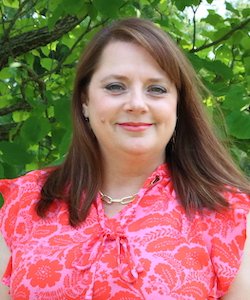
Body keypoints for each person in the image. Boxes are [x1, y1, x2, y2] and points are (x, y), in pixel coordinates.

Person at [0, 17, 249, 300]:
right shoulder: (28, 201)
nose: (136, 104)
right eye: (116, 86)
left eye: (157, 89)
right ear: (85, 100)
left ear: (177, 104)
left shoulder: (228, 214)